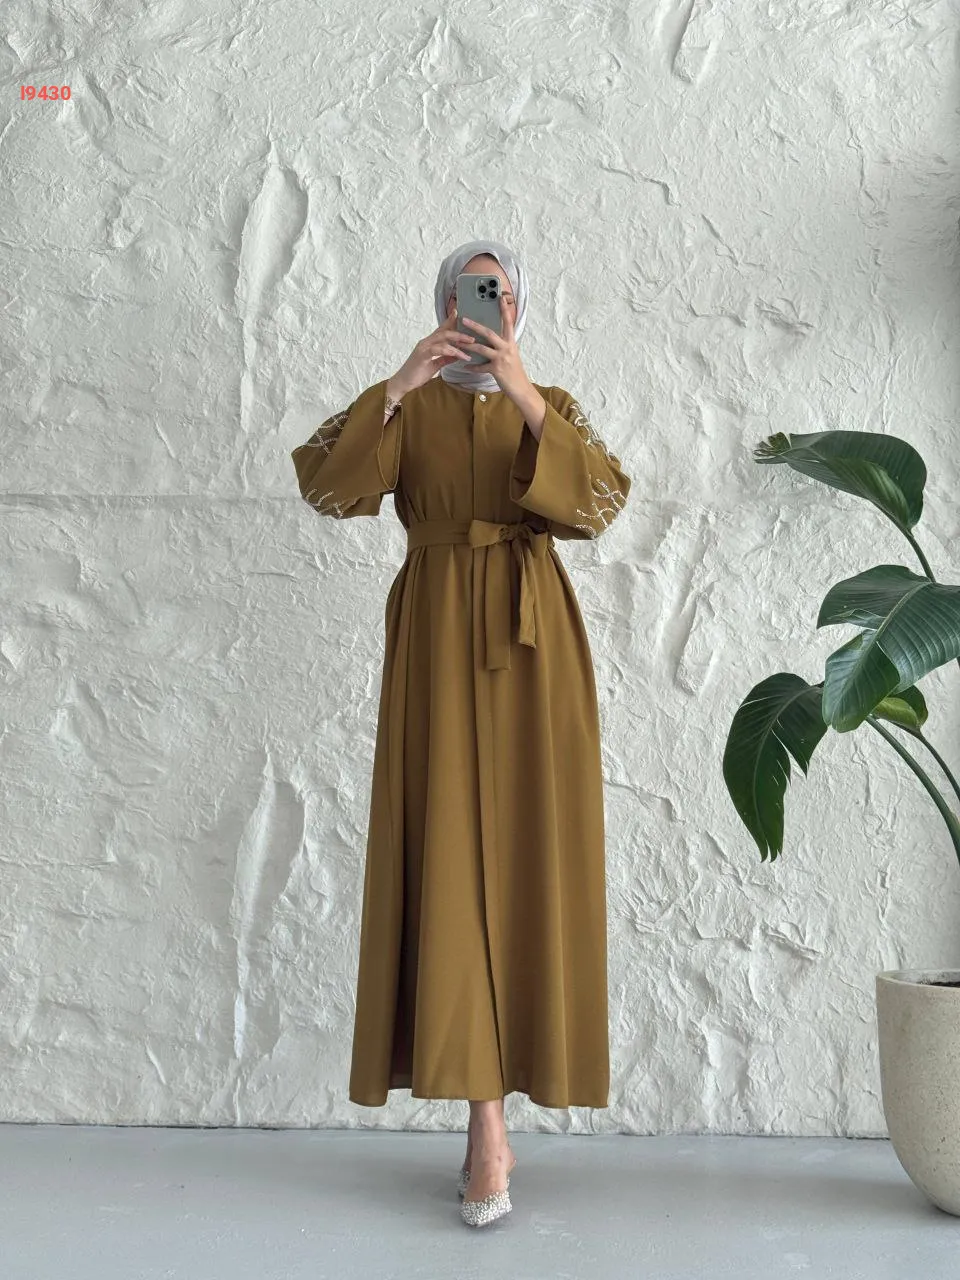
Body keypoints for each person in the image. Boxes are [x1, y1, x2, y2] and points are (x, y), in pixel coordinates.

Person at [290, 239, 632, 1227]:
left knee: (528, 859)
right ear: (444, 301)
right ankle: (486, 1125)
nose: (488, 308)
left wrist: (521, 391)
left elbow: (603, 501)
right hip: (437, 637)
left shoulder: (549, 402)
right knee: (444, 858)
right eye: (471, 293)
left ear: (520, 306)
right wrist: (401, 381)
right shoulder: (406, 406)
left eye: (502, 294)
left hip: (534, 648)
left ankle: (503, 1109)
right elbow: (327, 487)